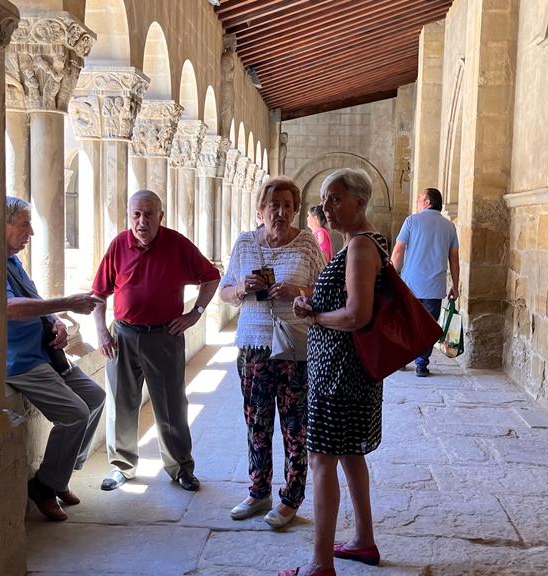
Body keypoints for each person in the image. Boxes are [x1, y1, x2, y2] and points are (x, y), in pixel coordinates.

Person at [286, 168, 388, 576]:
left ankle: (319, 564)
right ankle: (363, 540)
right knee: (349, 453)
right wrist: (314, 305)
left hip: (338, 374)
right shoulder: (360, 243)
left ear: (360, 203)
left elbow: (356, 315)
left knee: (321, 460)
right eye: (326, 199)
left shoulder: (361, 247)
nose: (326, 207)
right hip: (346, 371)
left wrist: (316, 318)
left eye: (336, 199)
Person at [91, 190, 221, 493]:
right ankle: (121, 466)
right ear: (128, 215)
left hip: (164, 336)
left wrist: (195, 314)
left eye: (149, 214)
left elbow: (211, 277)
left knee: (171, 405)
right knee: (122, 402)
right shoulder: (118, 245)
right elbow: (98, 294)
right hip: (122, 336)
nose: (142, 221)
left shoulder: (177, 245)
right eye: (136, 214)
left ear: (161, 217)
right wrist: (100, 331)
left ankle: (180, 468)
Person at [218, 177, 325, 529]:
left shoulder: (307, 243)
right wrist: (240, 289)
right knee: (257, 424)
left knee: (295, 427)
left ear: (295, 211)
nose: (280, 212)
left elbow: (325, 291)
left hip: (294, 349)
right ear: (260, 210)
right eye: (273, 205)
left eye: (287, 206)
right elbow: (224, 291)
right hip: (253, 348)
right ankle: (258, 490)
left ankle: (290, 498)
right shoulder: (245, 243)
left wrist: (299, 289)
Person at [3, 196, 106, 522]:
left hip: (46, 353)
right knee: (75, 413)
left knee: (95, 396)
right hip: (20, 361)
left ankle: (58, 475)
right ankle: (45, 486)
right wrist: (67, 303)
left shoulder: (13, 262)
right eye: (24, 224)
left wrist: (57, 323)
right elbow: (8, 309)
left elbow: (34, 301)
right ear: (1, 224)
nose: (31, 232)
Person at [389, 187, 459, 377]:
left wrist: (392, 274)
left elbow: (398, 250)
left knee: (406, 324)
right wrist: (456, 285)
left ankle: (403, 360)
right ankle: (421, 363)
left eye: (420, 198)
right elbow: (454, 259)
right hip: (435, 288)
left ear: (428, 202)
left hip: (410, 285)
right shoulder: (449, 226)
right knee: (428, 327)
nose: (418, 201)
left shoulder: (411, 221)